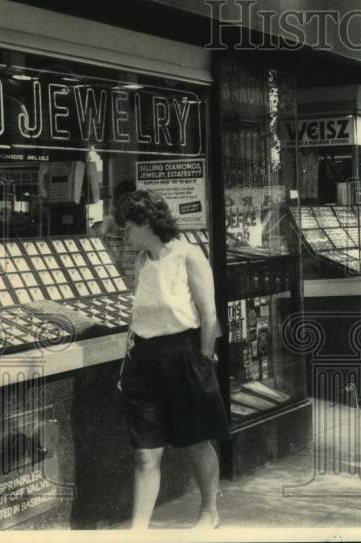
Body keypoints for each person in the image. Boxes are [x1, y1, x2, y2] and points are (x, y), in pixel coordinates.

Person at [116, 190, 229, 529]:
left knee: (196, 440)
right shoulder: (142, 261)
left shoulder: (187, 255)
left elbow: (209, 315)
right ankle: (138, 529)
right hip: (144, 359)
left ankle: (209, 512)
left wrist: (204, 359)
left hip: (184, 353)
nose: (125, 234)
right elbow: (139, 317)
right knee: (145, 451)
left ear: (147, 223)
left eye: (129, 227)